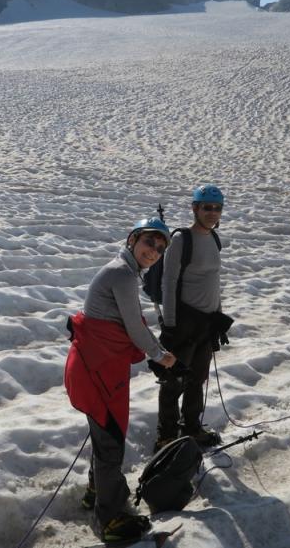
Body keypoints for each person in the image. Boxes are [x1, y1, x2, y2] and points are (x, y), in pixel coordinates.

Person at [64, 218, 177, 543]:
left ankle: (96, 492)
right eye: (149, 244)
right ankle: (111, 520)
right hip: (97, 372)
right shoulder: (123, 275)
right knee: (111, 442)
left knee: (104, 438)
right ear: (133, 239)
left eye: (160, 248)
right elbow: (134, 329)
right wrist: (160, 355)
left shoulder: (122, 271)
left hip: (95, 368)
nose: (153, 252)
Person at [156, 185, 232, 452]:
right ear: (195, 208)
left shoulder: (214, 239)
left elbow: (214, 280)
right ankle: (165, 435)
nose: (213, 213)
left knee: (197, 378)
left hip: (207, 322)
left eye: (217, 208)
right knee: (173, 380)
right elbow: (168, 282)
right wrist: (171, 324)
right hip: (184, 323)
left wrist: (218, 315)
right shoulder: (181, 240)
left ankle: (191, 427)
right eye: (207, 207)